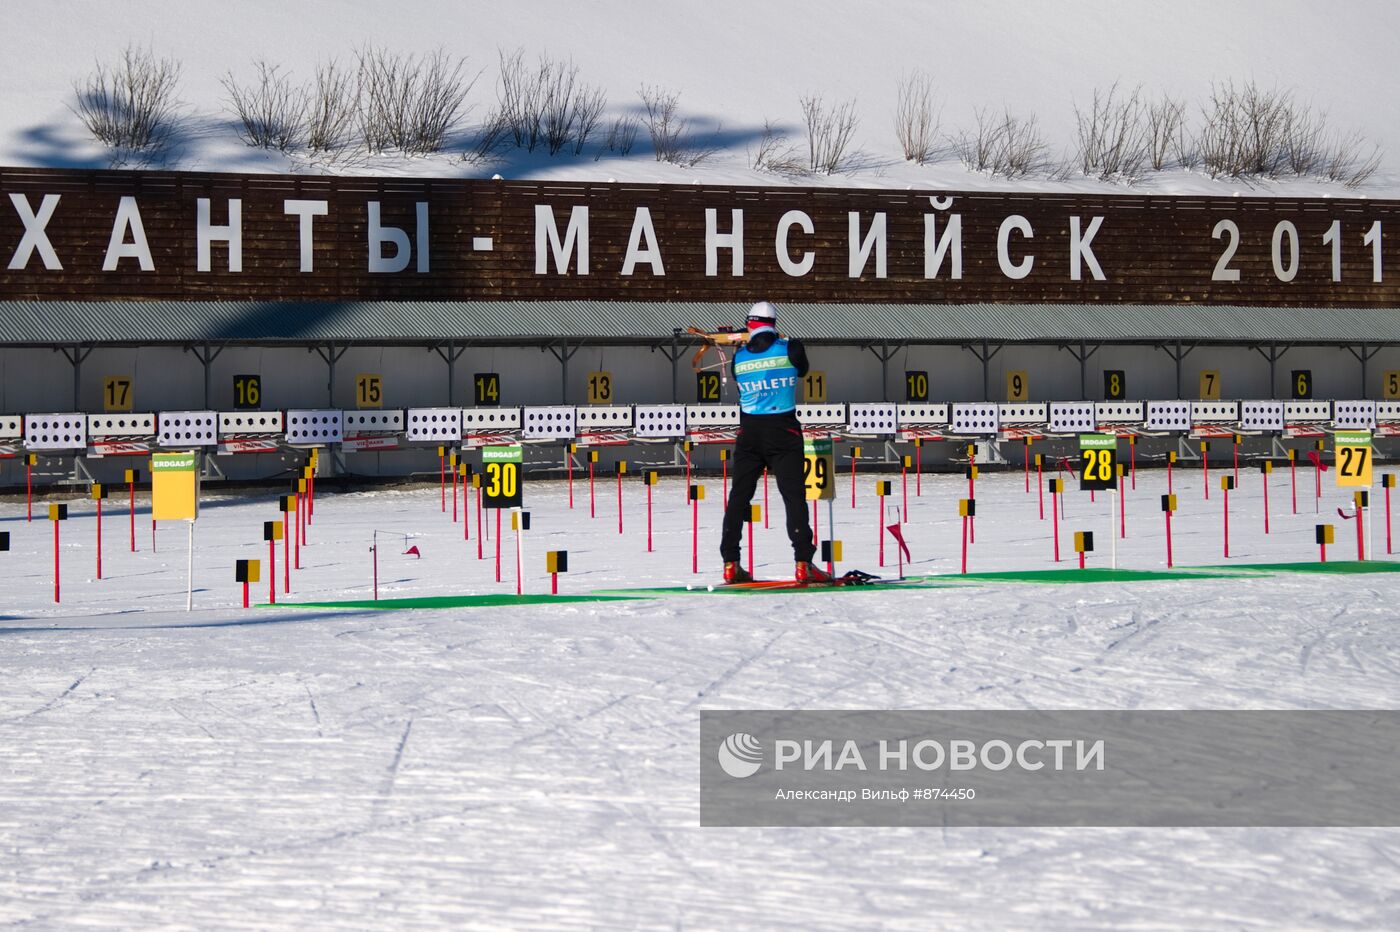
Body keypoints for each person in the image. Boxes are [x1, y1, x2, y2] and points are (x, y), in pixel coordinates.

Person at [720, 301, 832, 583]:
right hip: (783, 429)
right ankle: (803, 563)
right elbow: (803, 369)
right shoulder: (791, 347)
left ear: (750, 324)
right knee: (793, 497)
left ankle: (730, 563)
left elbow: (741, 372)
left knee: (738, 498)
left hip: (749, 432)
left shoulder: (740, 357)